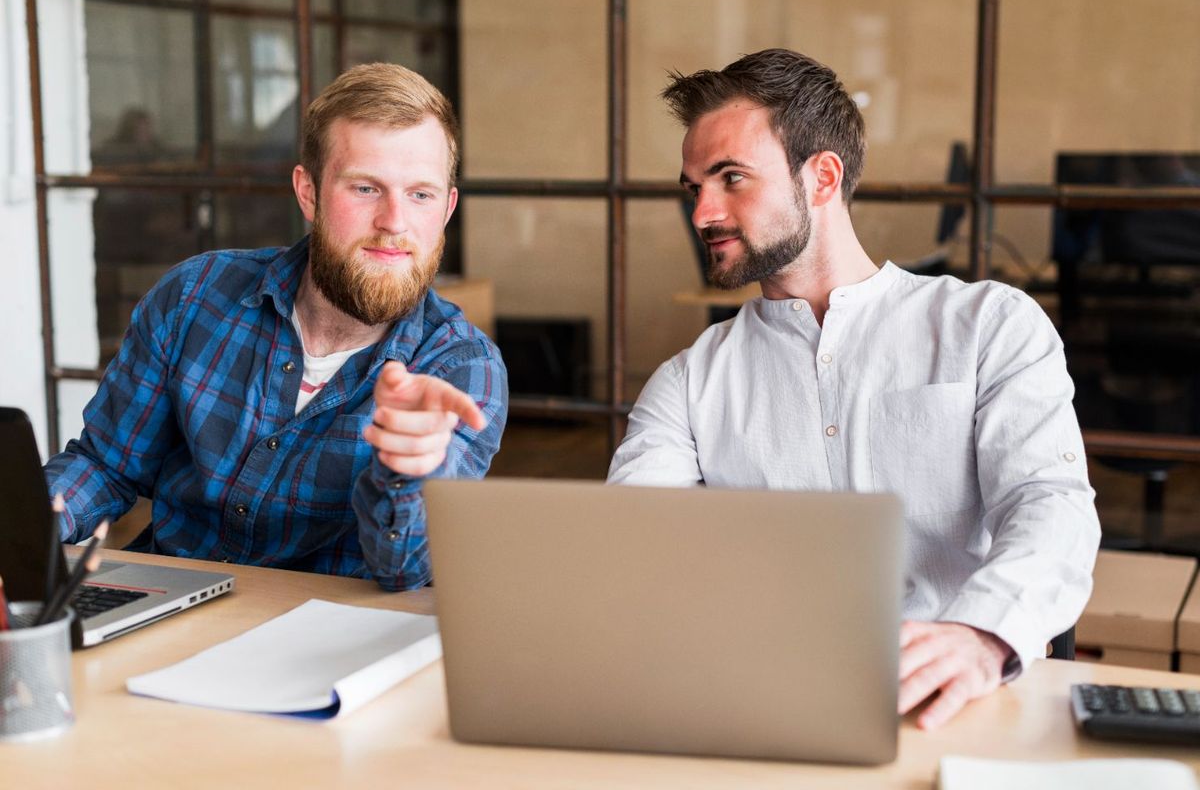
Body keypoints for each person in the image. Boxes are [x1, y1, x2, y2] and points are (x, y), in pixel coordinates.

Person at [607, 49, 1099, 730]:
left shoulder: (988, 326)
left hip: (960, 702)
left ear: (823, 177)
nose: (703, 213)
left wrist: (982, 639)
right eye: (694, 187)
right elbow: (632, 547)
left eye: (731, 179)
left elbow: (1052, 508)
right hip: (760, 703)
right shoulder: (690, 381)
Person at [45, 63, 507, 591]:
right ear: (308, 193)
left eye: (420, 195)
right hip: (163, 611)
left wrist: (409, 469)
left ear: (446, 209)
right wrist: (27, 532)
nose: (394, 222)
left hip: (326, 645)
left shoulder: (462, 370)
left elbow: (405, 570)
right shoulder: (194, 296)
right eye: (365, 188)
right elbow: (107, 466)